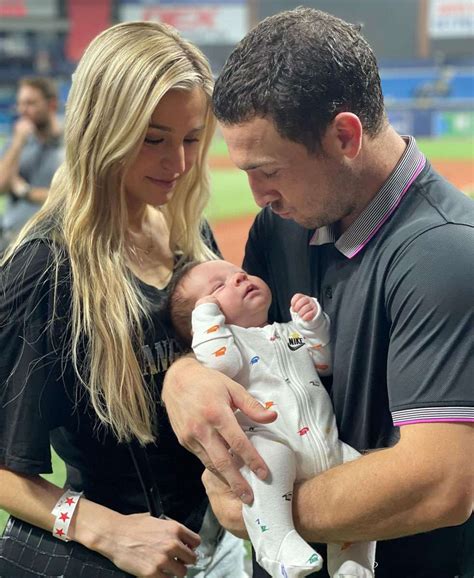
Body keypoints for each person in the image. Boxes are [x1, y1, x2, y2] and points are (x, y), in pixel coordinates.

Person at [161, 7, 474, 578]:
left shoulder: (446, 253)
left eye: (268, 170)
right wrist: (183, 375)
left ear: (344, 136)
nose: (258, 195)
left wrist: (266, 514)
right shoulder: (281, 226)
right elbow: (247, 346)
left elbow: (442, 482)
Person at [0, 21, 248, 578]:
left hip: (218, 549)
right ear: (102, 128)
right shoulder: (46, 267)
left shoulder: (190, 230)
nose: (178, 163)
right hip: (116, 558)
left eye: (191, 139)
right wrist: (106, 530)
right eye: (154, 139)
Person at [169, 258, 376, 578]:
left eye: (239, 273)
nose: (239, 278)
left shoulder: (286, 331)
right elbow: (219, 364)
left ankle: (352, 560)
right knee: (270, 459)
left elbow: (324, 363)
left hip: (325, 442)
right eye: (218, 287)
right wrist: (207, 317)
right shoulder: (226, 345)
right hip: (271, 443)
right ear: (203, 319)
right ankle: (274, 543)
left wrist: (312, 325)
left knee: (363, 481)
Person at [0, 76, 63, 252]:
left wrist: (25, 191)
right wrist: (18, 142)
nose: (23, 110)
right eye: (20, 104)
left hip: (53, 242)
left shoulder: (70, 143)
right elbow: (1, 186)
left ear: (51, 105)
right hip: (12, 238)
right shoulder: (16, 142)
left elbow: (71, 196)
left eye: (30, 103)